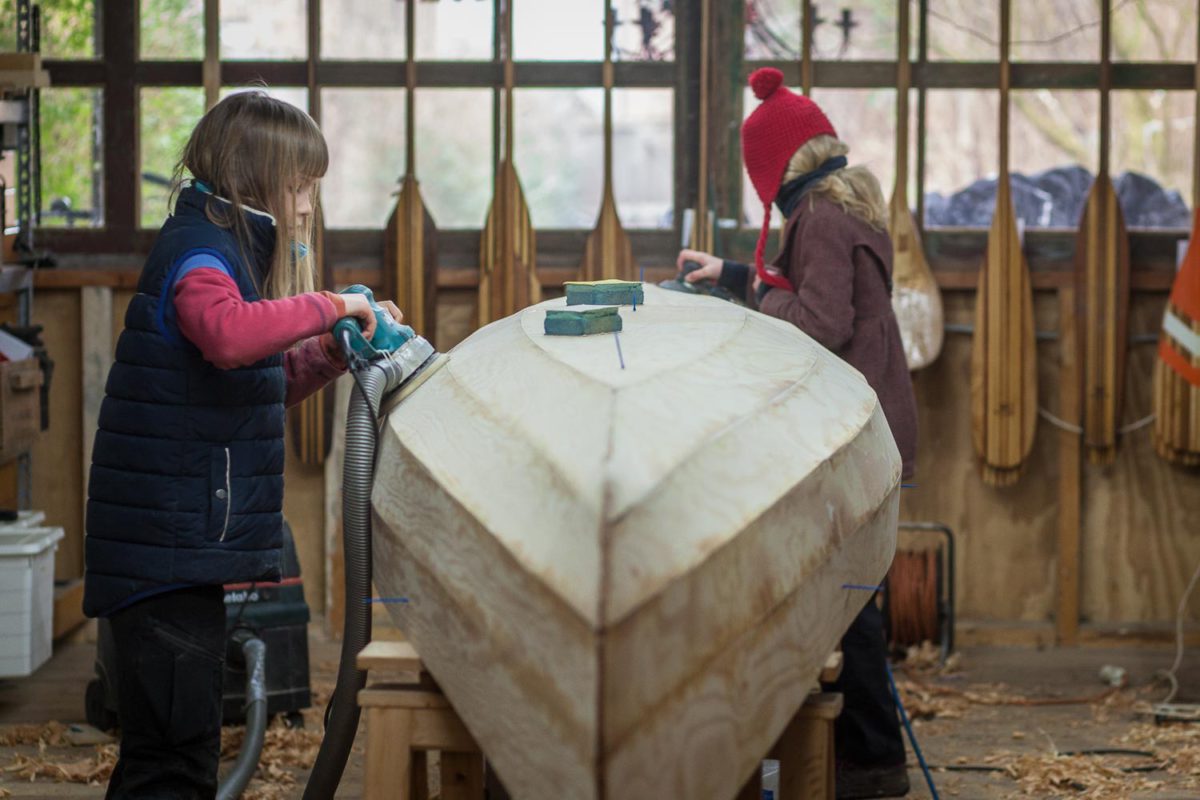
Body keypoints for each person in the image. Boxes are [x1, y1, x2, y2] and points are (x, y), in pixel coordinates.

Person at [83, 90, 402, 799]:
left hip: (176, 548)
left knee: (170, 753)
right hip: (162, 556)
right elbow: (229, 336)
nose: (306, 207)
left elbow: (240, 386)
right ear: (251, 178)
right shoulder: (201, 255)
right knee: (172, 762)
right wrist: (335, 304)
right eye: (298, 186)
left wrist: (324, 350)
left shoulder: (224, 250)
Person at [677, 67, 917, 800]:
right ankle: (865, 759)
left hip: (853, 426)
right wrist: (732, 278)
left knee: (846, 599)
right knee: (850, 591)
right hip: (872, 421)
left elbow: (820, 324)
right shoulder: (844, 206)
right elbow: (815, 298)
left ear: (772, 165)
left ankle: (870, 763)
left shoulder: (816, 219)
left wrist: (745, 315)